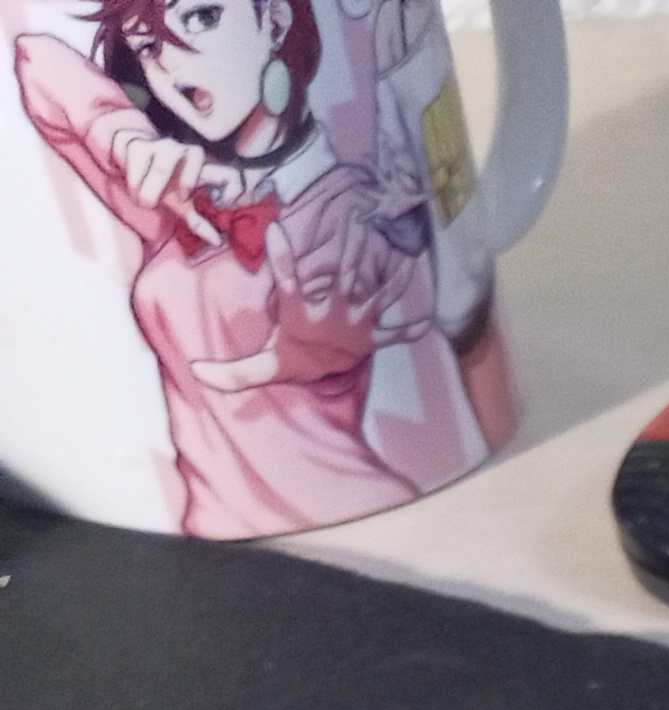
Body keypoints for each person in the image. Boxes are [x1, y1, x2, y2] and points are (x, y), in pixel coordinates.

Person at [16, 0, 434, 535]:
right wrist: (125, 137)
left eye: (204, 17)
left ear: (275, 20)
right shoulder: (178, 196)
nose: (173, 64)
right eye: (148, 46)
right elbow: (36, 58)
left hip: (378, 527)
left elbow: (412, 277)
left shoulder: (350, 207)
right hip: (200, 552)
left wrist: (330, 349)